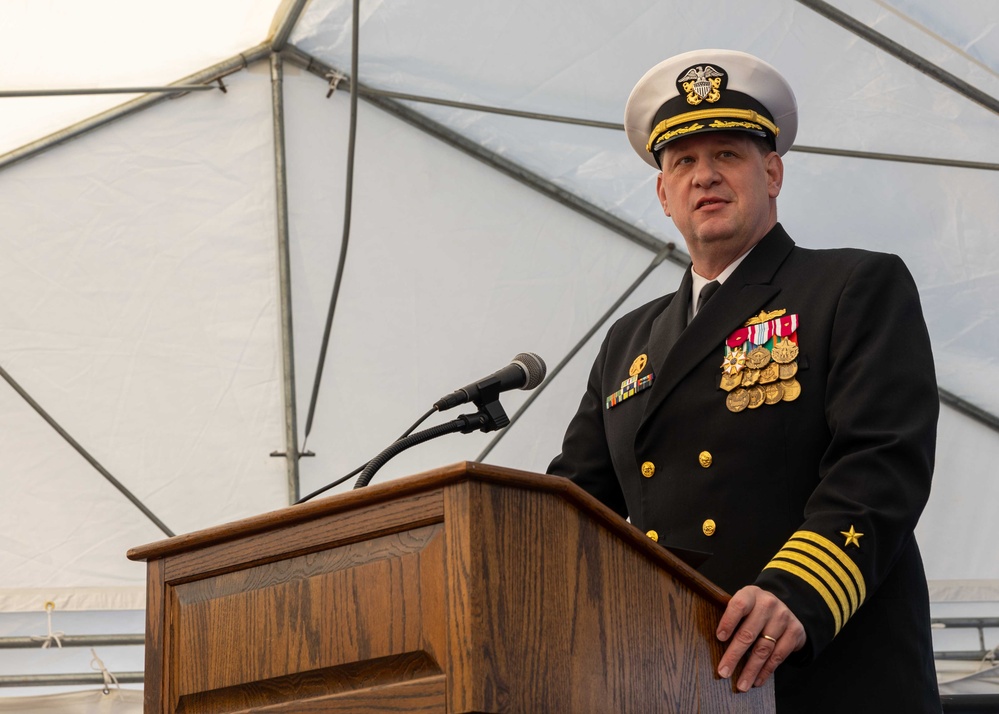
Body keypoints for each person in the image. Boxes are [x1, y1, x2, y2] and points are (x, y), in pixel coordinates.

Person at [548, 49, 941, 712]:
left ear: (772, 172)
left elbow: (880, 464)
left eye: (727, 155)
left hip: (824, 669)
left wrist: (796, 592)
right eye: (683, 163)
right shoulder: (628, 342)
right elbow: (568, 509)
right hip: (674, 679)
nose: (705, 177)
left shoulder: (851, 286)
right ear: (662, 193)